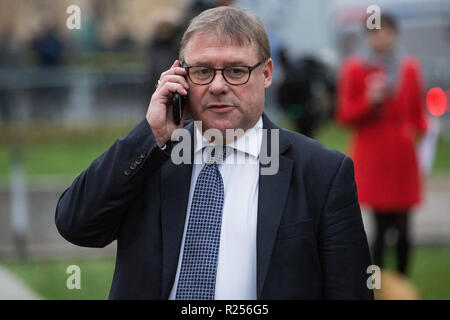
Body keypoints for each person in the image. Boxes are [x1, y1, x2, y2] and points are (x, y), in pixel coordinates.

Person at [55, 6, 373, 300]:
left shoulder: (322, 173)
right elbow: (76, 225)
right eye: (203, 71)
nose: (218, 86)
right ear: (180, 76)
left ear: (266, 73)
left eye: (236, 71)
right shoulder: (151, 158)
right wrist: (150, 136)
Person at [335, 13, 427, 276]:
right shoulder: (355, 69)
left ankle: (403, 284)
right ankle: (379, 286)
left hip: (402, 157)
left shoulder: (409, 68)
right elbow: (344, 116)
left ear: (395, 34)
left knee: (405, 226)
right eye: (374, 32)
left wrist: (425, 132)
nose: (380, 37)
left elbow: (417, 115)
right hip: (373, 156)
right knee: (380, 226)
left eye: (385, 31)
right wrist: (369, 101)